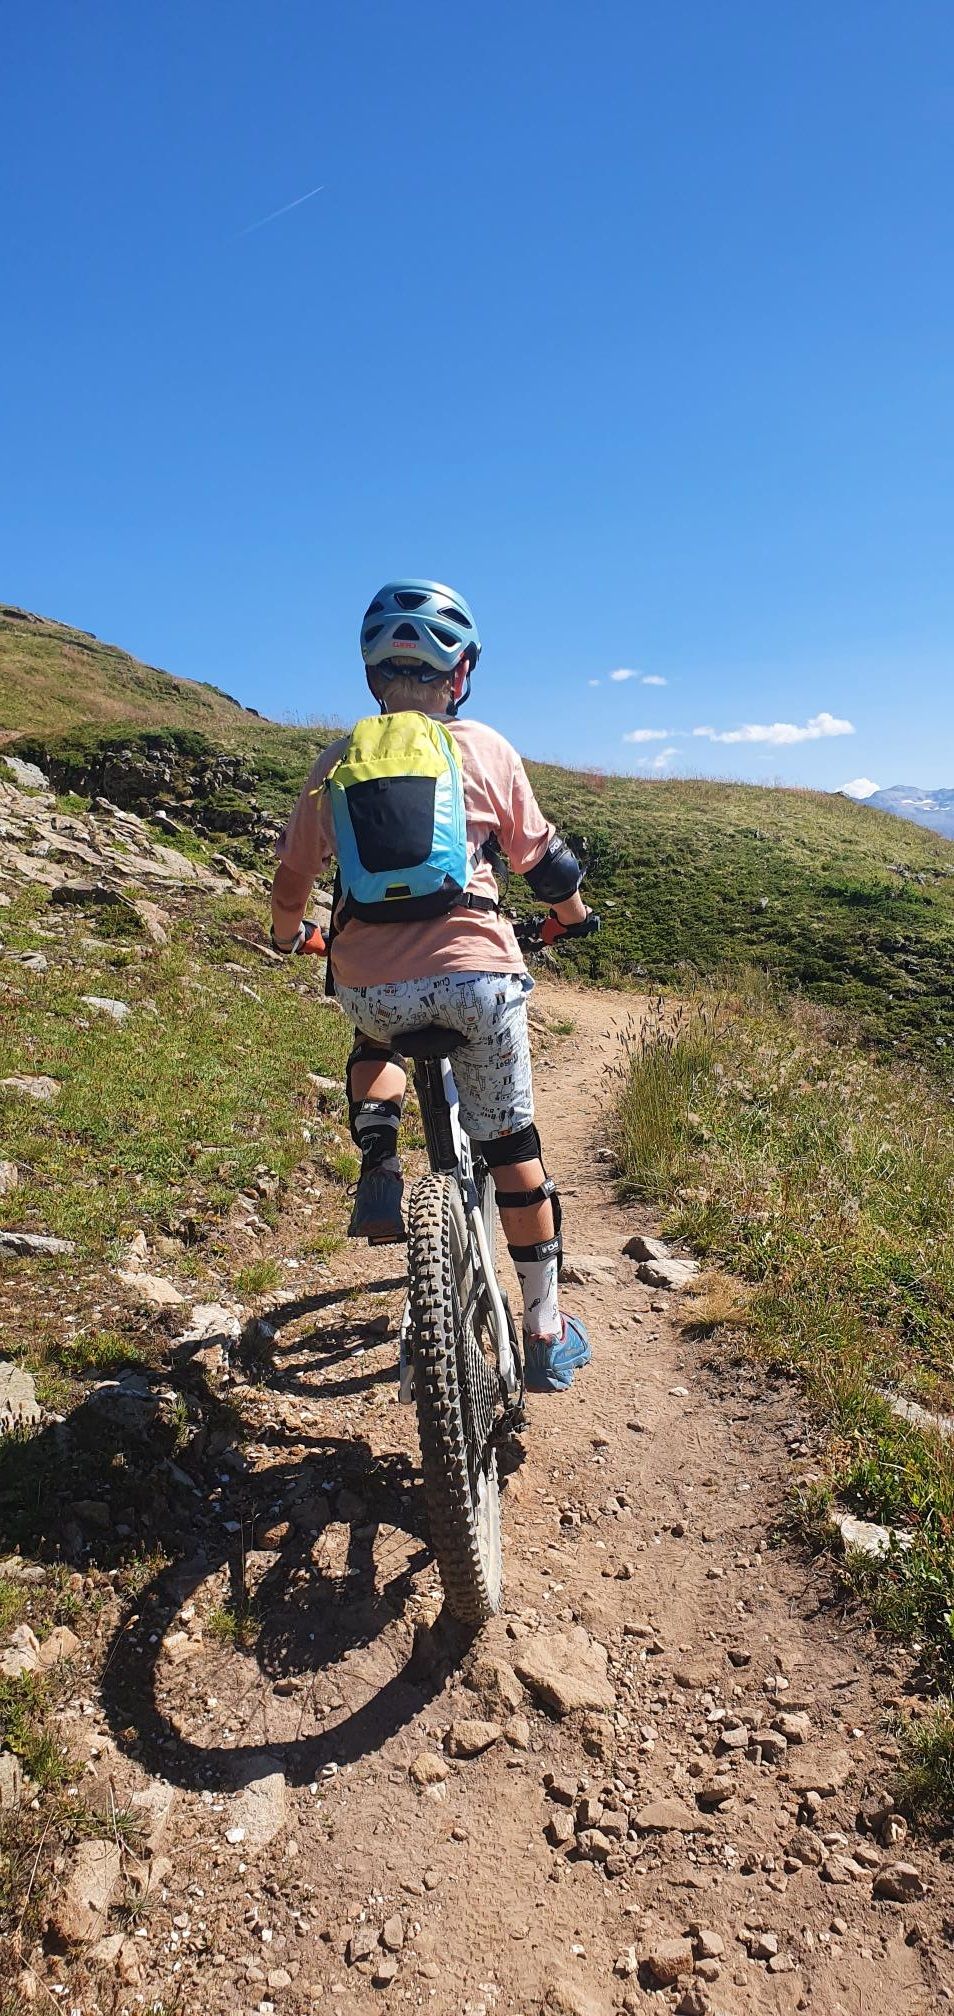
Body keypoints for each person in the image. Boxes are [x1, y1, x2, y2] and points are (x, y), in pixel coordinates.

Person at [269, 579, 598, 1393]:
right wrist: (572, 917)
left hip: (371, 984)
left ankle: (380, 1159)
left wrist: (291, 936)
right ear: (462, 673)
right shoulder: (485, 748)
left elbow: (292, 878)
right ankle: (545, 1331)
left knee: (372, 1031)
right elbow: (544, 864)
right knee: (513, 1150)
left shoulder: (335, 762)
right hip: (476, 976)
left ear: (373, 676)